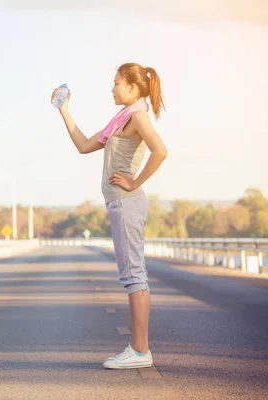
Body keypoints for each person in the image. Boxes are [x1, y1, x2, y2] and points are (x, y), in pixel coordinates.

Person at [51, 62, 168, 369]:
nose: (112, 89)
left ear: (132, 88)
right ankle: (139, 349)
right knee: (131, 274)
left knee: (134, 274)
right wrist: (63, 109)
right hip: (119, 204)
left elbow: (160, 151)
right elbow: (82, 145)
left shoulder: (138, 116)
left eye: (116, 84)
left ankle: (140, 351)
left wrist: (134, 181)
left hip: (126, 202)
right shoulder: (121, 119)